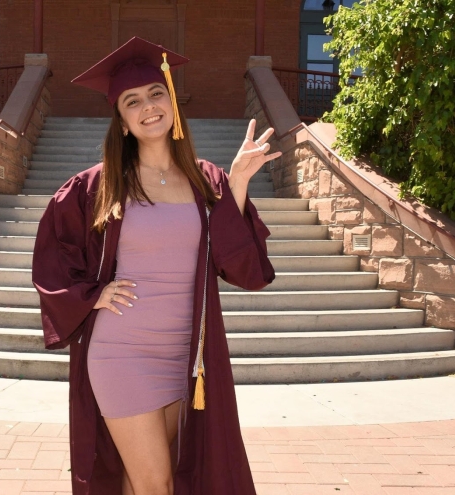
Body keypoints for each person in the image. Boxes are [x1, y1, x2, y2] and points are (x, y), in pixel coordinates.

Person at [32, 37, 280, 495]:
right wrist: (92, 296)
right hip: (122, 350)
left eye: (156, 94)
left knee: (139, 479)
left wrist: (239, 182)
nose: (148, 107)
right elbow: (53, 260)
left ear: (172, 102)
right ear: (122, 121)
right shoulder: (95, 187)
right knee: (157, 483)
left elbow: (240, 267)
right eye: (133, 101)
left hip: (185, 355)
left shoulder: (208, 179)